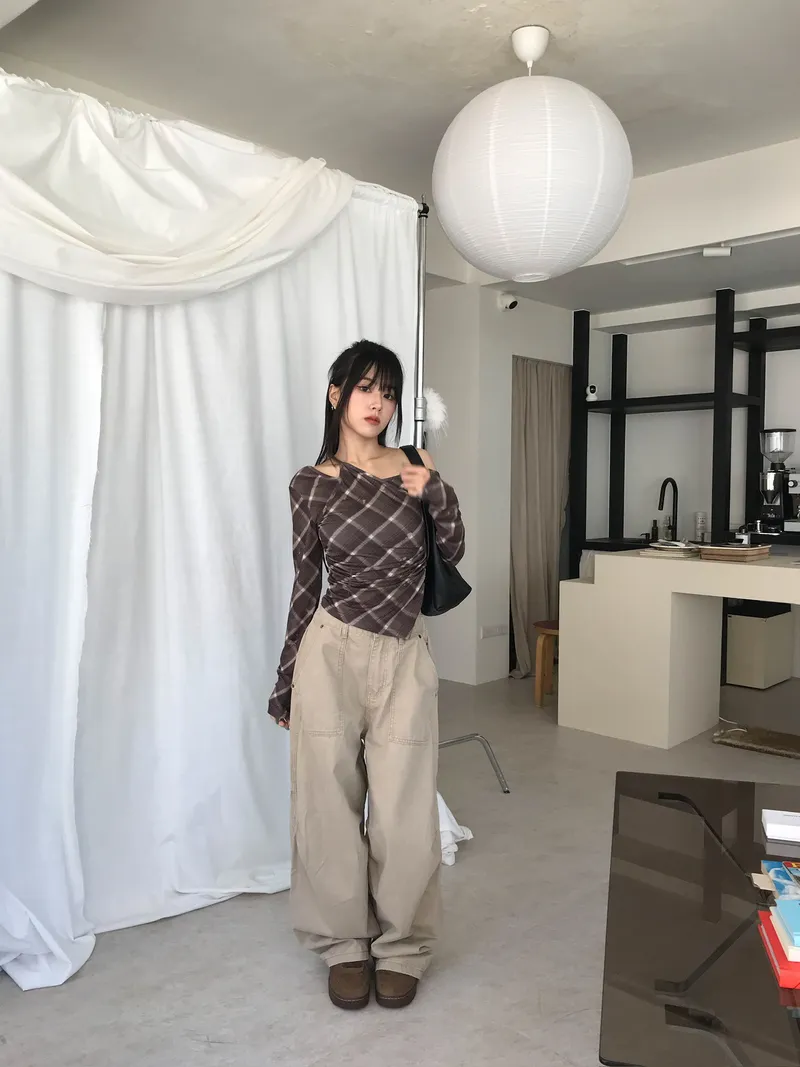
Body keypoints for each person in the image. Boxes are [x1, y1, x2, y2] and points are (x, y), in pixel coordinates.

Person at [268, 339, 465, 1011]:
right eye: (364, 388)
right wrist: (286, 677)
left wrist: (435, 491)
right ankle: (343, 944)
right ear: (337, 395)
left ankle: (403, 946)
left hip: (404, 653)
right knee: (325, 805)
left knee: (404, 810)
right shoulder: (311, 483)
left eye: (388, 391)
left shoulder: (414, 465)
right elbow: (305, 584)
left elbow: (454, 549)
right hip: (331, 652)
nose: (377, 402)